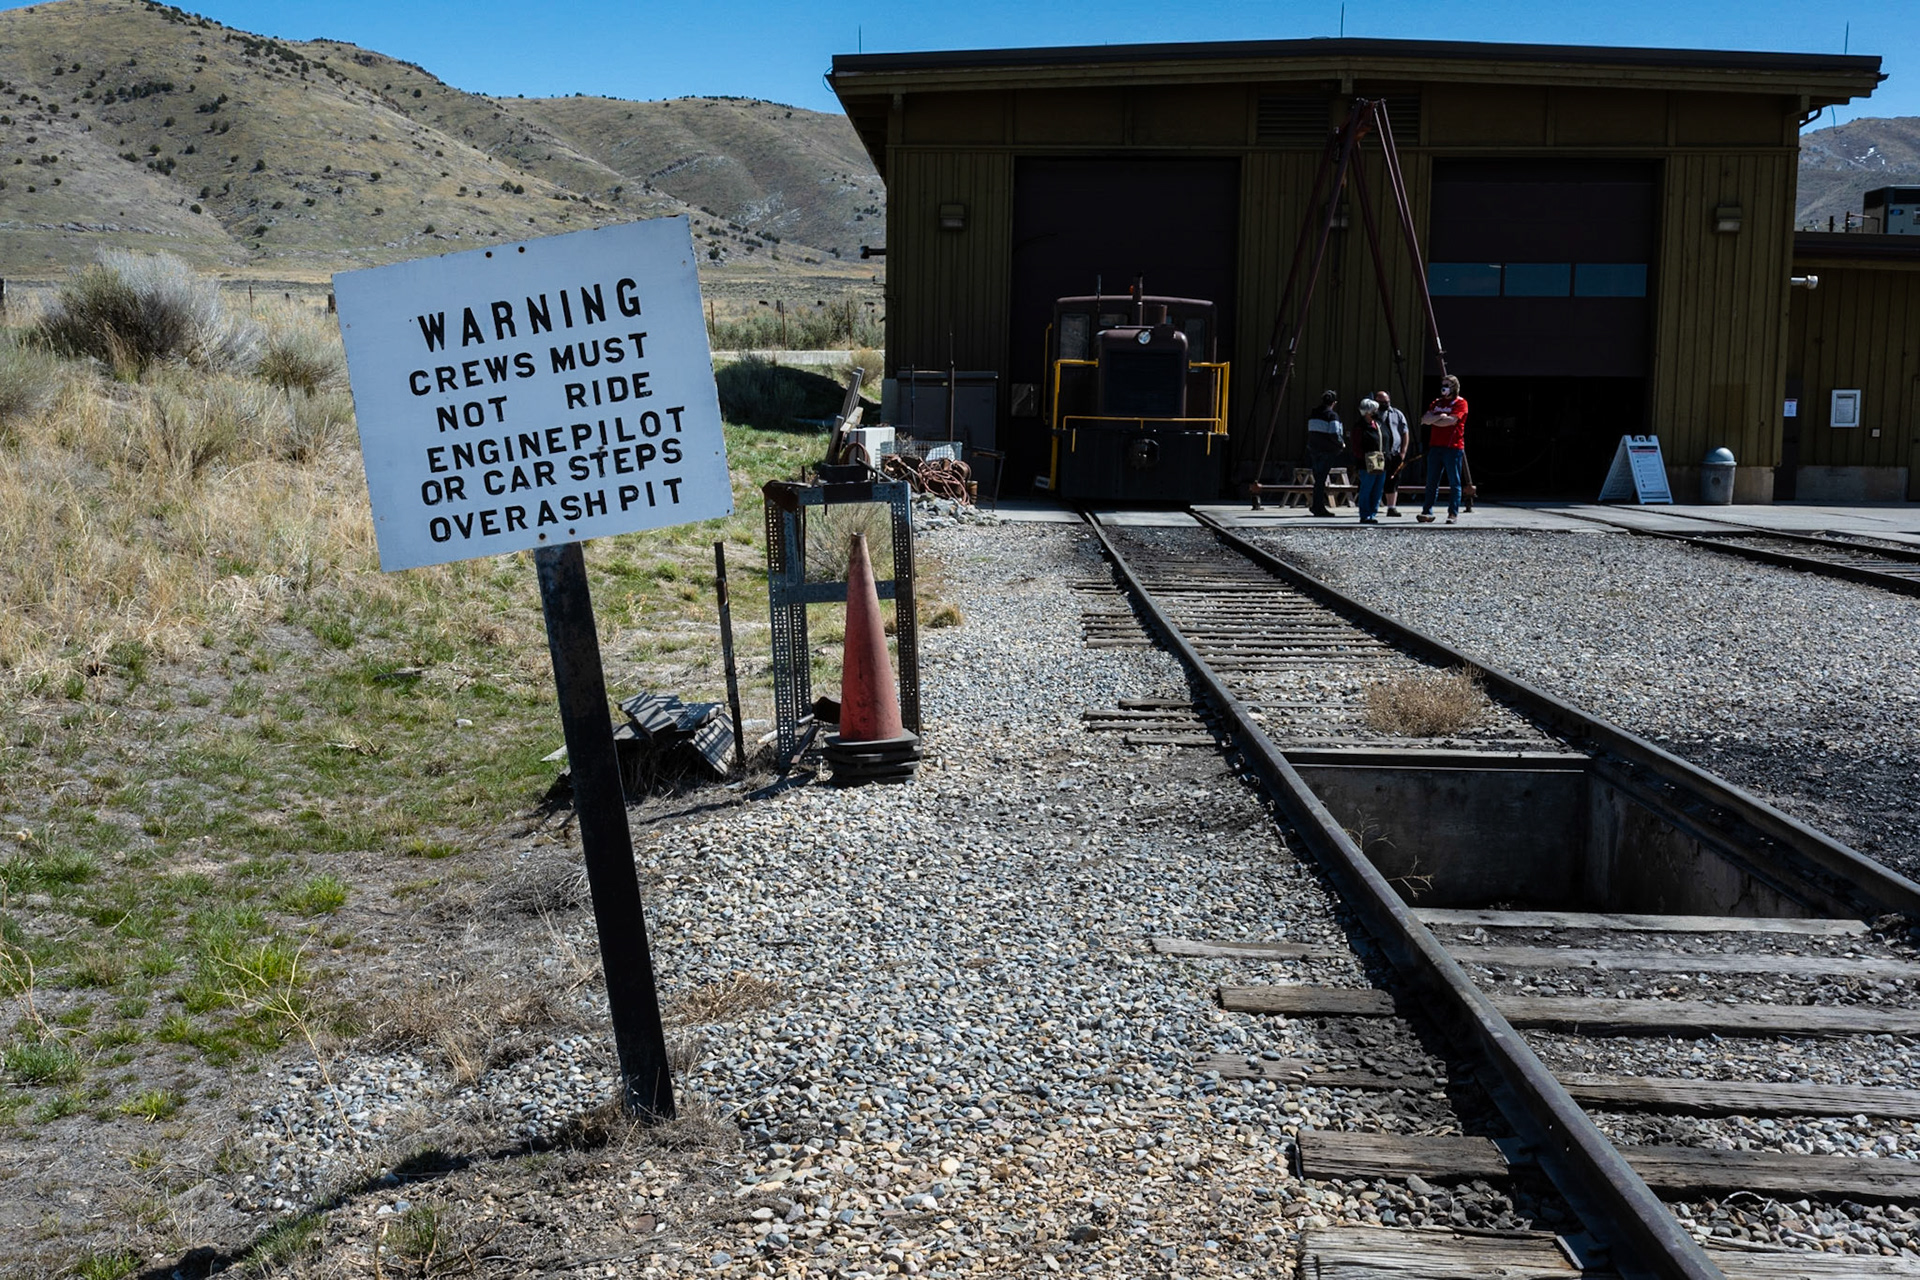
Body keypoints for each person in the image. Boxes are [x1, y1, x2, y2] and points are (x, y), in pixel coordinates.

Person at [1418, 374, 1469, 524]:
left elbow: (1451, 421)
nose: (1444, 387)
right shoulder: (1436, 402)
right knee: (1432, 481)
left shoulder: (1461, 403)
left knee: (1454, 481)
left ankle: (1452, 513)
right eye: (1443, 384)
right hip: (1435, 447)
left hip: (1452, 447)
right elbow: (1425, 419)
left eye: (1447, 385)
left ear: (1454, 387)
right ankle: (1427, 510)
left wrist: (1437, 419)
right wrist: (1441, 416)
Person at [1305, 389, 1344, 517]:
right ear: (1334, 403)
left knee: (1318, 479)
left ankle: (1316, 505)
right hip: (1327, 450)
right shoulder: (1332, 416)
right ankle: (1318, 507)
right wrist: (1341, 444)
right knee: (1321, 479)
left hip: (1314, 449)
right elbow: (1334, 433)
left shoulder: (1313, 414)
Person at [1375, 389, 1411, 517]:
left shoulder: (1397, 414)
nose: (1385, 404)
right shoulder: (1373, 414)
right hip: (1378, 454)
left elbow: (1405, 432)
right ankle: (1373, 505)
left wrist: (1403, 451)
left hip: (1395, 453)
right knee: (1376, 479)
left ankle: (1391, 507)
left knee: (1393, 479)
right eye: (1382, 402)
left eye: (1387, 402)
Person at [1351, 397, 1387, 523]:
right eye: (1375, 409)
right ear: (1368, 412)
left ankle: (1373, 513)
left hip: (1381, 460)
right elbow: (1356, 446)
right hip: (1367, 462)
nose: (1377, 411)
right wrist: (1364, 458)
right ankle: (1365, 514)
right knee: (1367, 488)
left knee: (1378, 488)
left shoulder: (1379, 424)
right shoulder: (1360, 427)